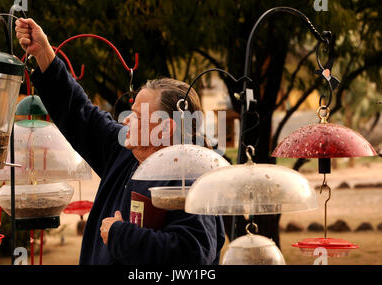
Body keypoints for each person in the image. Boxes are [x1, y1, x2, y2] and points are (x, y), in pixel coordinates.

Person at [15, 18, 225, 265]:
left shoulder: (190, 178)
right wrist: (44, 53)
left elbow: (192, 254)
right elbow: (79, 112)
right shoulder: (123, 153)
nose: (126, 122)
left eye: (136, 116)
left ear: (165, 127)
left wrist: (119, 234)